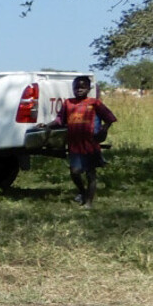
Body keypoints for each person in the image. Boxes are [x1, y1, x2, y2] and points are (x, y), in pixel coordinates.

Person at [44, 75, 116, 207]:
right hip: (74, 144)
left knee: (90, 174)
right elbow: (60, 120)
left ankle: (89, 202)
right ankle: (82, 192)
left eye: (83, 87)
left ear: (88, 89)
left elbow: (110, 118)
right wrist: (46, 126)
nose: (79, 90)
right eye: (76, 87)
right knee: (74, 171)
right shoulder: (68, 103)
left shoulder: (94, 103)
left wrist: (104, 130)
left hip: (90, 144)